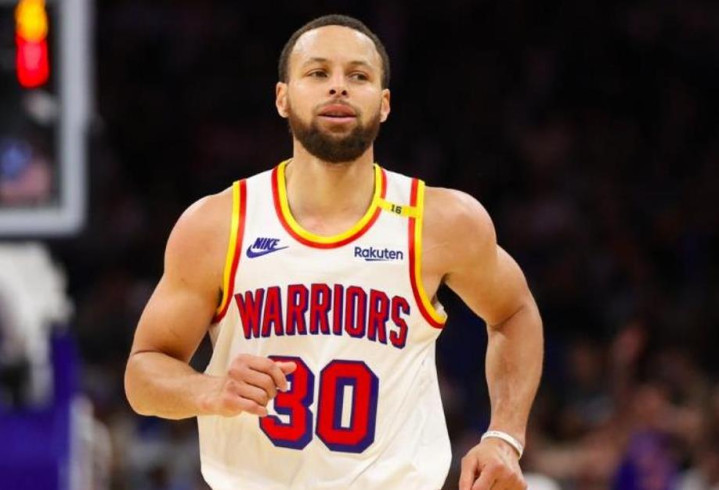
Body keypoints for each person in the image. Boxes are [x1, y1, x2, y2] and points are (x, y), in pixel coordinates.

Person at [124, 14, 543, 490]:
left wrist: (504, 436)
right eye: (318, 72)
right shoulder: (219, 224)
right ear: (283, 98)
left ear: (384, 104)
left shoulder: (440, 221)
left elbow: (514, 311)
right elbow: (143, 372)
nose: (338, 87)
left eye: (358, 76)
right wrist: (209, 389)